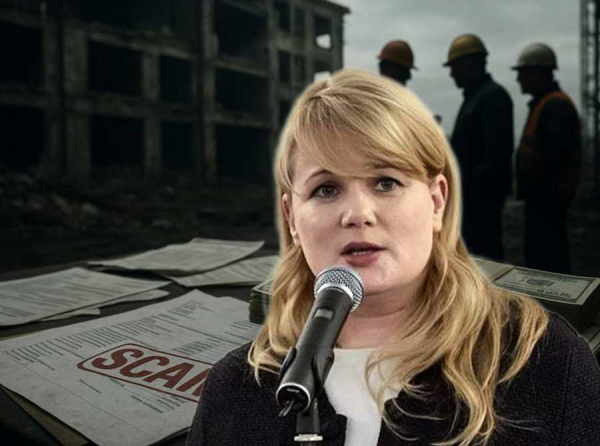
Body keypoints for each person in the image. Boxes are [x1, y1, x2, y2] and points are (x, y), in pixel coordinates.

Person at [187, 70, 600, 446]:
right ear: (291, 219)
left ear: (436, 201)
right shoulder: (234, 391)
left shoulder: (545, 363)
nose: (358, 214)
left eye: (386, 182)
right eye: (326, 189)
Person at [513, 43, 582, 274]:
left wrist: (540, 191)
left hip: (547, 203)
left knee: (548, 262)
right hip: (542, 202)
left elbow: (554, 162)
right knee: (542, 261)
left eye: (523, 73)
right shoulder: (545, 104)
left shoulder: (555, 106)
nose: (519, 79)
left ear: (538, 73)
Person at [445, 34, 513, 261]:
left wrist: (472, 189)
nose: (452, 74)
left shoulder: (492, 97)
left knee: (485, 256)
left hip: (481, 200)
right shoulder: (475, 98)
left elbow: (495, 156)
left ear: (470, 64)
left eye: (454, 67)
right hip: (471, 197)